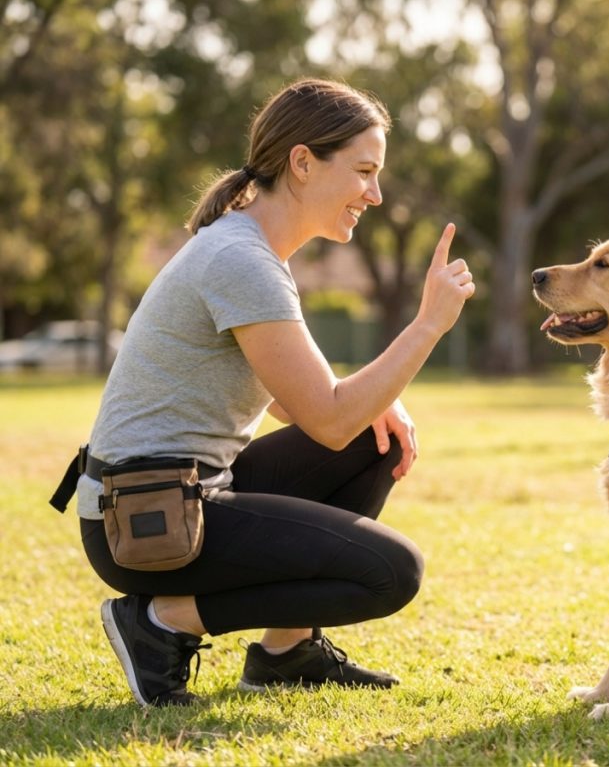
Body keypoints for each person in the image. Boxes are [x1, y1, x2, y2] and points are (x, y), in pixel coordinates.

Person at [59, 78, 475, 707]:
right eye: (364, 171)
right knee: (393, 573)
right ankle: (160, 624)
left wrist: (375, 402)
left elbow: (294, 398)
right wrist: (427, 325)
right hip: (146, 521)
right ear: (303, 163)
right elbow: (326, 419)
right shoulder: (242, 260)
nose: (376, 193)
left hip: (182, 493)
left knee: (376, 435)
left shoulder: (250, 250)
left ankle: (287, 651)